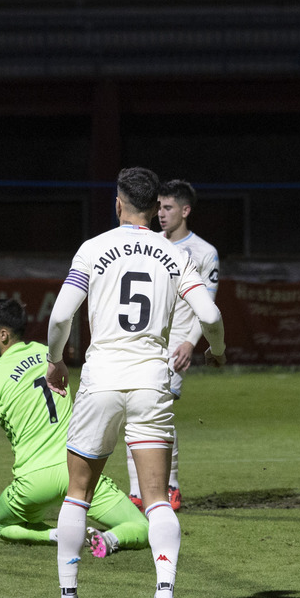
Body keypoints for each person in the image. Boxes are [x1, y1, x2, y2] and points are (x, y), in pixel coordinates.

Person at [44, 167, 226, 598]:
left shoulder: (93, 248)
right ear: (153, 207)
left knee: (78, 495)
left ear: (119, 203)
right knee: (157, 497)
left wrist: (56, 360)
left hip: (101, 380)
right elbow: (209, 312)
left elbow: (61, 314)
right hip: (150, 381)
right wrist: (218, 350)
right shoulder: (173, 253)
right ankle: (164, 597)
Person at [0, 298, 149, 558]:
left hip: (33, 484)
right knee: (142, 526)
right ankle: (109, 539)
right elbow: (17, 365)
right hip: (78, 470)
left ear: (3, 334)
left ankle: (56, 534)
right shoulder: (48, 354)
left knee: (3, 524)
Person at [125, 179, 219, 513]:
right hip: (144, 340)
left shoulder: (205, 253)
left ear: (185, 210)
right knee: (134, 410)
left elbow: (207, 304)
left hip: (174, 345)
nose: (160, 214)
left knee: (156, 411)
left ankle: (170, 486)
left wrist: (190, 342)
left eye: (167, 208)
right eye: (159, 207)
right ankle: (139, 491)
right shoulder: (150, 244)